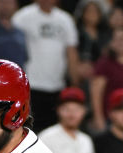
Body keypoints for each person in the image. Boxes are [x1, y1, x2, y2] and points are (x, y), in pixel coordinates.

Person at [11, 0, 79, 131]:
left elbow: (71, 52)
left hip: (57, 85)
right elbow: (12, 46)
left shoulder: (65, 19)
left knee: (54, 130)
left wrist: (75, 82)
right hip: (31, 84)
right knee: (29, 129)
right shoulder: (23, 16)